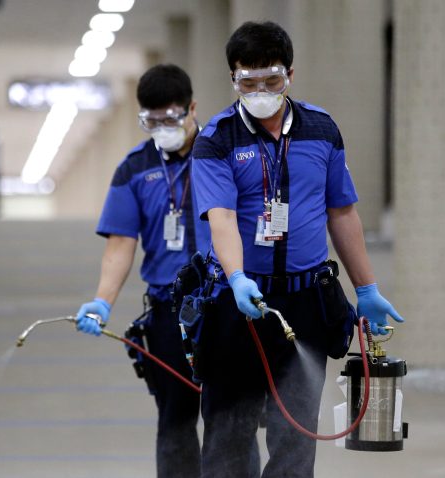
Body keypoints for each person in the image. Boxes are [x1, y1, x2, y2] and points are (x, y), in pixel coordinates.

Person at [190, 21, 405, 478]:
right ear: (233, 78)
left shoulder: (322, 130)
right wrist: (235, 277)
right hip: (238, 304)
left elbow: (342, 212)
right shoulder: (217, 139)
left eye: (272, 80)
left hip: (306, 303)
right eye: (249, 82)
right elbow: (221, 218)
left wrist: (367, 288)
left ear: (291, 74)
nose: (261, 91)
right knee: (229, 436)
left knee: (295, 441)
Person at [74, 64, 207, 478]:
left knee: (231, 416)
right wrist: (103, 301)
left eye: (172, 118)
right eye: (152, 121)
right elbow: (120, 243)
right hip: (169, 309)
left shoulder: (221, 153)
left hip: (225, 302)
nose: (163, 127)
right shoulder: (133, 169)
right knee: (175, 416)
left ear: (192, 108)